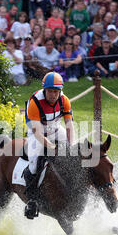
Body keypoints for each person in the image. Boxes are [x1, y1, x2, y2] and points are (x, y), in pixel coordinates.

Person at [23, 72, 74, 219]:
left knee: (73, 153)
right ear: (44, 90)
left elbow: (69, 125)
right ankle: (31, 201)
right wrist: (51, 147)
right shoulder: (35, 102)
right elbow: (38, 133)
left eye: (56, 91)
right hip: (36, 133)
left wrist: (70, 145)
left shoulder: (65, 100)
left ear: (60, 91)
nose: (53, 94)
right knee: (33, 163)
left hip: (56, 129)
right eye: (50, 91)